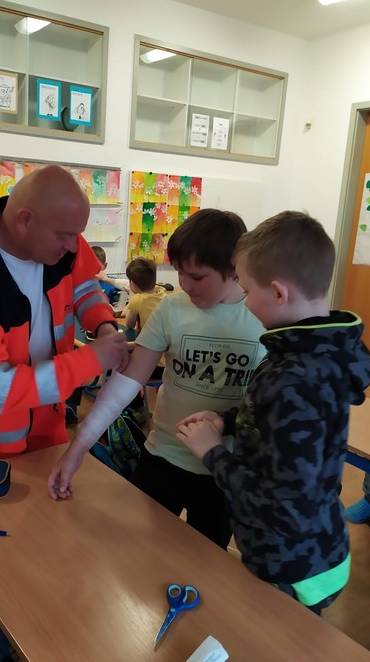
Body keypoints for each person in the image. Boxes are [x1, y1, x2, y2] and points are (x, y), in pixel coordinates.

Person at [175, 211, 370, 614]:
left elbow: (284, 508)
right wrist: (229, 421)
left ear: (280, 293)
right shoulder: (312, 351)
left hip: (292, 567)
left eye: (246, 290)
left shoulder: (296, 378)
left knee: (277, 640)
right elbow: (283, 430)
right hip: (309, 552)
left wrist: (213, 452)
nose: (245, 300)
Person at [48, 208, 266, 549]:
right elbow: (126, 382)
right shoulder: (172, 308)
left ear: (234, 269)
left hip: (224, 472)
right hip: (163, 457)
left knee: (205, 561)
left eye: (197, 276)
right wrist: (78, 447)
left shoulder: (263, 317)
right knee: (136, 552)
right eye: (179, 272)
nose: (184, 284)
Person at [0, 164, 129, 459]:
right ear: (24, 220)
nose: (74, 246)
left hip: (49, 423)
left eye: (77, 235)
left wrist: (103, 326)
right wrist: (90, 361)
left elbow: (85, 286)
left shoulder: (61, 237)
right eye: (65, 236)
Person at [123, 256, 166, 332]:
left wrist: (131, 298)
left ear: (133, 284)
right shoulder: (162, 292)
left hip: (148, 337)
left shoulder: (137, 300)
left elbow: (129, 324)